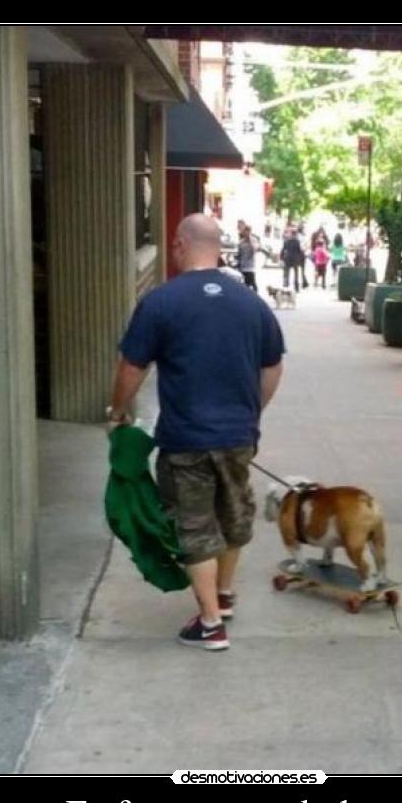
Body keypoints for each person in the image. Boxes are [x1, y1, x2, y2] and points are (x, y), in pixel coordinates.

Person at [109, 215, 285, 651]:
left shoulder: (161, 302)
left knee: (194, 525)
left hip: (185, 439)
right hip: (238, 435)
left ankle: (209, 623)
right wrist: (251, 412)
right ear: (219, 247)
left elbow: (133, 366)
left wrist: (119, 411)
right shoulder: (251, 303)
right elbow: (272, 365)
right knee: (232, 515)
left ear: (179, 244)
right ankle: (222, 595)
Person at [237, 224, 259, 292]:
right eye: (245, 231)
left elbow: (255, 250)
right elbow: (239, 254)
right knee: (245, 286)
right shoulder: (241, 242)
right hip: (243, 267)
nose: (246, 233)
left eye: (248, 231)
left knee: (254, 285)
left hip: (250, 268)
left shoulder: (254, 240)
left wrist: (250, 240)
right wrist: (238, 264)